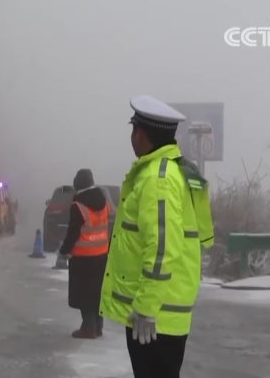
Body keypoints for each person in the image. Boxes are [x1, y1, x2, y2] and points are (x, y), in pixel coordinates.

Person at [98, 95, 214, 378]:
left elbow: (163, 247)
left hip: (154, 318)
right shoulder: (172, 171)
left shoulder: (157, 179)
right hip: (163, 313)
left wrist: (146, 308)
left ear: (141, 134)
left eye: (133, 130)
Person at [58, 168, 112, 339]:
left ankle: (88, 327)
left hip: (82, 256)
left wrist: (64, 251)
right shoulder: (103, 201)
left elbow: (73, 232)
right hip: (102, 253)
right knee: (97, 290)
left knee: (84, 292)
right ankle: (98, 326)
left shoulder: (78, 206)